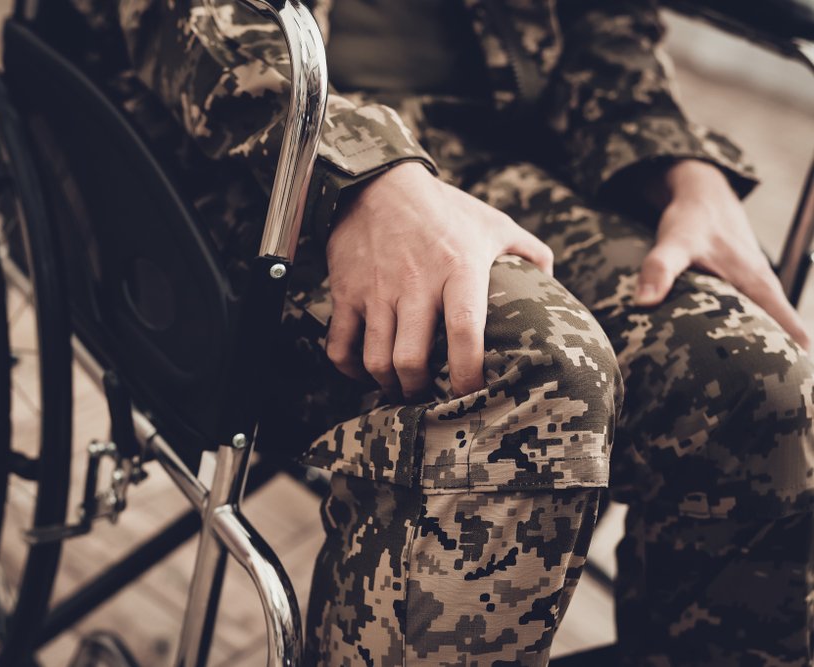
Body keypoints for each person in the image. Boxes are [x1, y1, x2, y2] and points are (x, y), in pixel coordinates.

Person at [70, 0, 814, 663]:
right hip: (241, 163)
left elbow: (598, 24)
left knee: (762, 385)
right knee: (525, 371)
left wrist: (684, 168)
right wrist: (361, 172)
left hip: (485, 144)